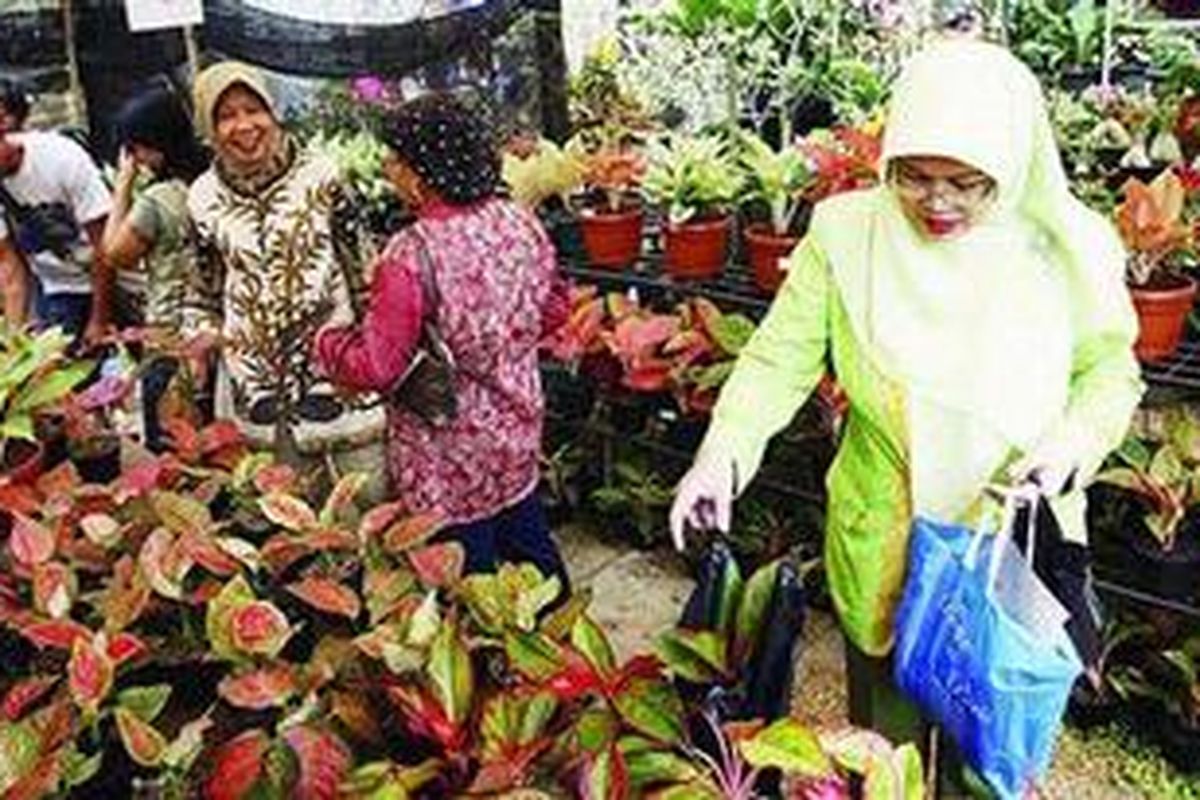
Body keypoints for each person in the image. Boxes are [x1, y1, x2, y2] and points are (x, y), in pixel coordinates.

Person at [669, 39, 1142, 787]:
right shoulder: (847, 233)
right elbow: (779, 358)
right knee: (884, 756)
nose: (937, 203)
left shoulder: (1067, 249)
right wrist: (719, 454)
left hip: (1007, 554)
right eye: (913, 177)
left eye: (967, 183)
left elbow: (1111, 373)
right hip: (883, 543)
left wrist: (1072, 443)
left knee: (983, 759)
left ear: (1012, 167)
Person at [314, 92, 571, 590]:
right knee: (530, 545)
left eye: (394, 159)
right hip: (516, 427)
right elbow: (554, 307)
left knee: (465, 577)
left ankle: (486, 660)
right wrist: (502, 340)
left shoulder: (409, 254)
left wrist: (326, 342)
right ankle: (559, 650)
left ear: (420, 172)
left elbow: (378, 366)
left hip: (445, 450)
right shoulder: (520, 221)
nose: (389, 170)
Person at [186, 61, 386, 496]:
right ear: (207, 126)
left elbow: (363, 267)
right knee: (293, 515)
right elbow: (202, 289)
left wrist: (376, 348)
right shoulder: (201, 198)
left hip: (338, 365)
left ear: (273, 111)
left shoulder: (323, 175)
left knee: (371, 498)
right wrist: (198, 346)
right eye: (226, 115)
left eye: (253, 109)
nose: (243, 126)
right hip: (255, 380)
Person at [103, 81, 211, 450]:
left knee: (170, 446)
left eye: (135, 149)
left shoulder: (158, 200)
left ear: (152, 146)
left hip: (170, 335)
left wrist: (123, 185)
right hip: (215, 329)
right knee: (215, 439)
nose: (136, 158)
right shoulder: (214, 179)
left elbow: (114, 254)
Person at [0, 109, 128, 345]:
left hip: (110, 277)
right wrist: (12, 342)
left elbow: (103, 245)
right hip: (58, 288)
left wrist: (99, 319)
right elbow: (10, 269)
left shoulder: (59, 158)